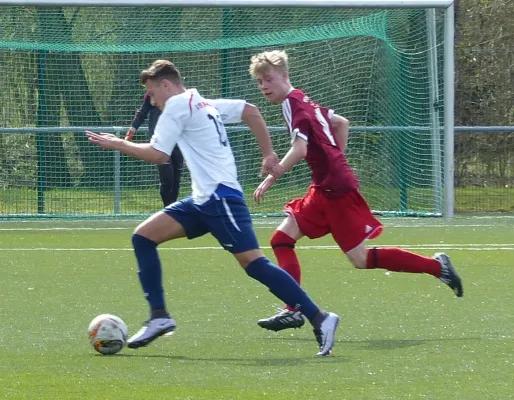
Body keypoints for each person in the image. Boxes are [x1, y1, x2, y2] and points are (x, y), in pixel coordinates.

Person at [85, 59, 340, 357]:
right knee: (143, 236)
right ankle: (159, 316)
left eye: (152, 94)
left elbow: (158, 155)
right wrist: (268, 154)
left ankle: (320, 317)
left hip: (221, 199)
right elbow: (251, 111)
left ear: (166, 85)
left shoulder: (178, 105)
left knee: (255, 264)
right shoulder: (202, 101)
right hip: (204, 200)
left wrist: (119, 144)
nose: (152, 102)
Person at [248, 50, 464, 332]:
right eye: (259, 82)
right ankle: (294, 309)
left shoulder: (293, 104)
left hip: (334, 190)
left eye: (268, 79)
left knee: (359, 259)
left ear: (285, 76)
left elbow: (299, 149)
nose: (264, 86)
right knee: (281, 239)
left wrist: (272, 177)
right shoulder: (304, 99)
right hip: (326, 186)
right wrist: (336, 159)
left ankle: (438, 268)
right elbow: (341, 123)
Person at [125, 92, 184, 207]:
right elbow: (141, 113)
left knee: (176, 179)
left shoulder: (179, 95)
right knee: (167, 178)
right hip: (160, 141)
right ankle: (168, 210)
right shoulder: (151, 94)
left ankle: (173, 209)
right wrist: (131, 131)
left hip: (177, 140)